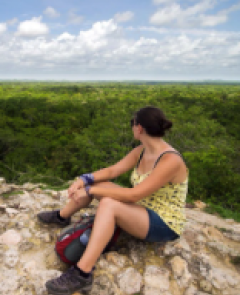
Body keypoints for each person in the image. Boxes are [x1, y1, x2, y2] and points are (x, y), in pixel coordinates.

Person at [37, 106, 188, 295]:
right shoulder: (142, 150)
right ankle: (62, 216)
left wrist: (91, 190)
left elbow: (135, 195)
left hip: (164, 222)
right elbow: (112, 171)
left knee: (108, 203)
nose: (132, 127)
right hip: (143, 209)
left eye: (132, 124)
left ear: (139, 128)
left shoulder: (170, 160)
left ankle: (82, 273)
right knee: (101, 183)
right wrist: (84, 180)